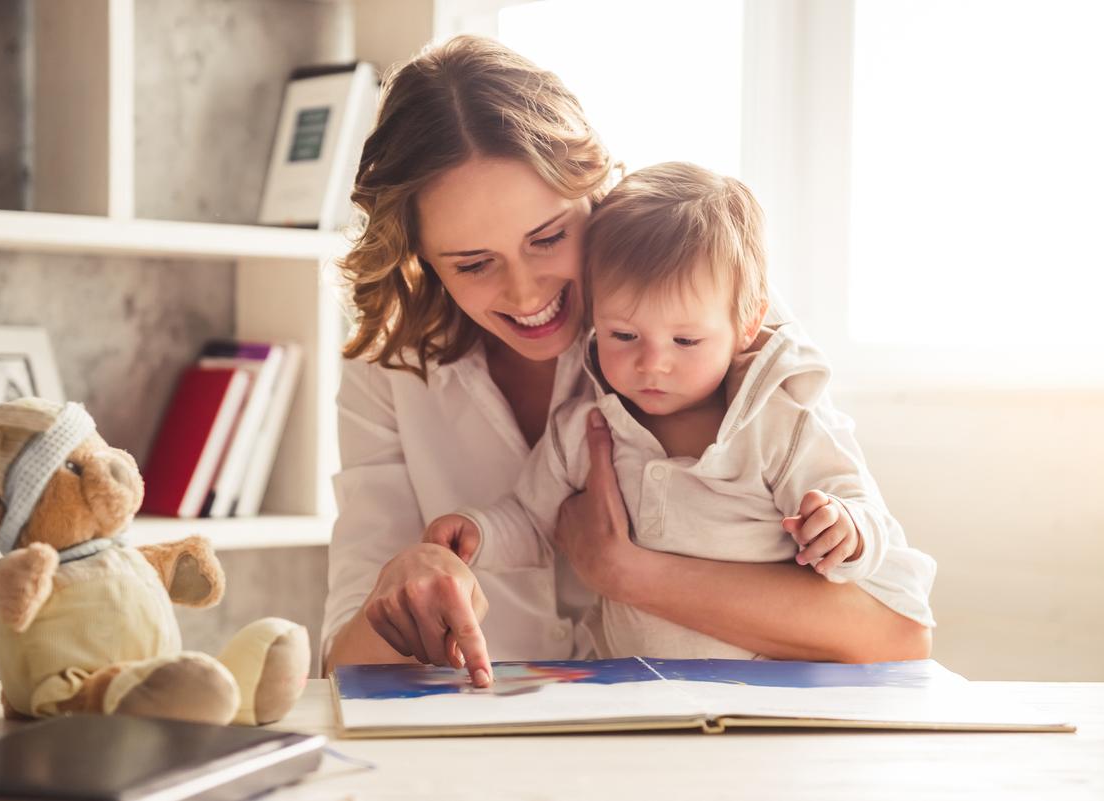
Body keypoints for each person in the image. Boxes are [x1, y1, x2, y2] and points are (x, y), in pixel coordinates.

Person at [322, 35, 933, 689]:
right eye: (473, 263)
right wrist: (402, 588)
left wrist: (625, 571)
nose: (527, 294)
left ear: (590, 188)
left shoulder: (702, 305)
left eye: (549, 236)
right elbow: (345, 665)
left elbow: (897, 631)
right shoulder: (387, 369)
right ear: (419, 254)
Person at [423, 162, 936, 660]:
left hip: (778, 693)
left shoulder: (782, 423)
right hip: (641, 695)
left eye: (686, 340)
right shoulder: (585, 428)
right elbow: (530, 519)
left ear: (747, 324)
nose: (652, 364)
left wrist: (845, 529)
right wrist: (478, 533)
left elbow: (860, 513)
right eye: (623, 335)